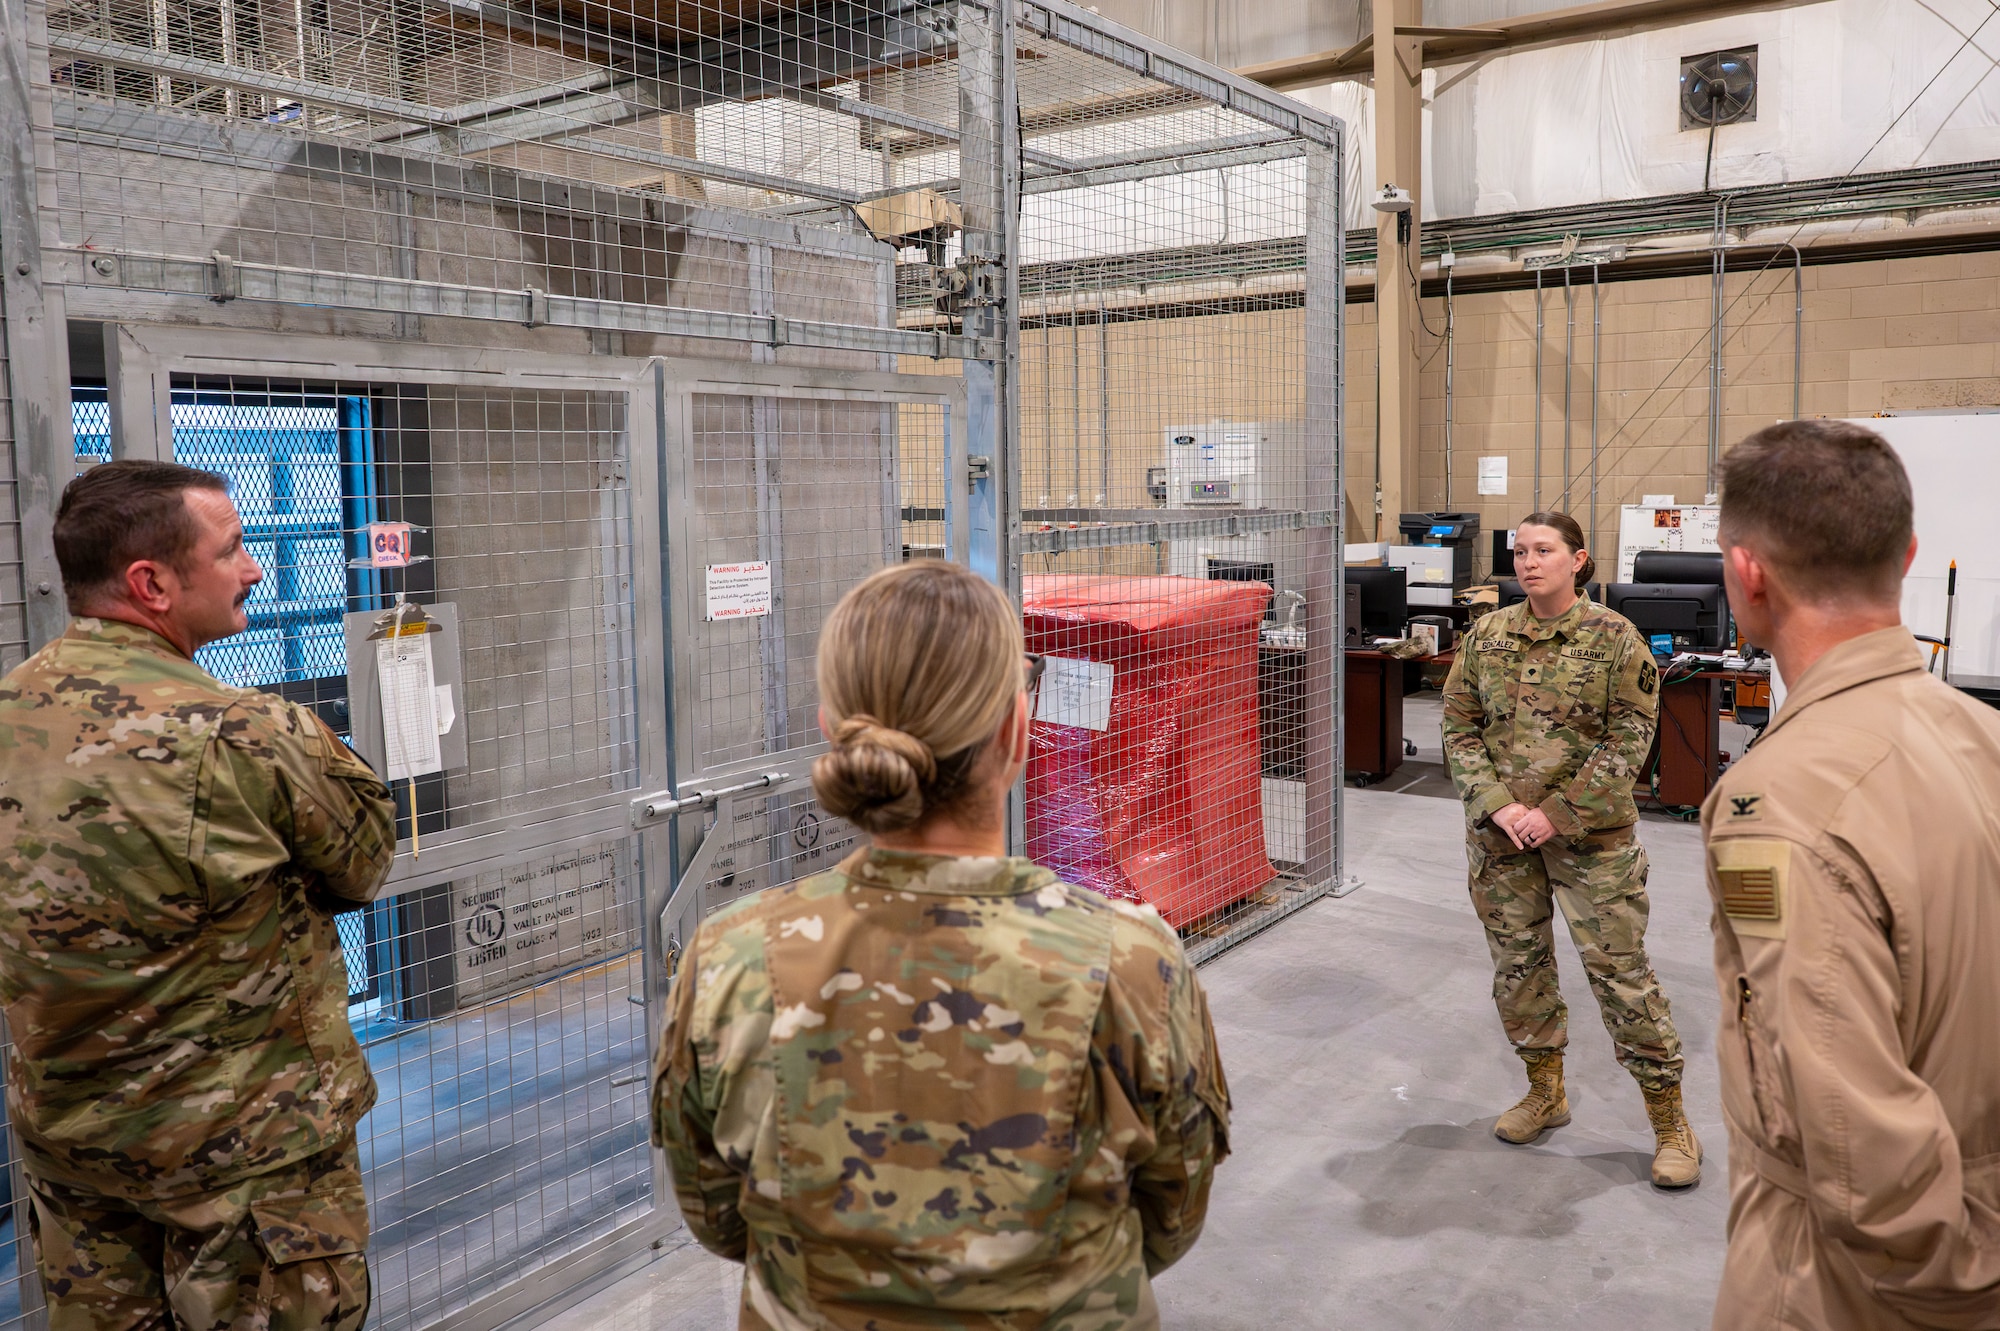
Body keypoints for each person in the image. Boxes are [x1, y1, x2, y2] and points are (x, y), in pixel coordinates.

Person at [650, 560, 1230, 1329]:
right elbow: (1170, 1215)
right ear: (1017, 731)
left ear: (833, 727)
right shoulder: (1133, 961)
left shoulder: (729, 955)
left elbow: (716, 1213)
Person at [0, 460, 395, 1331]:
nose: (253, 567)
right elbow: (363, 864)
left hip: (72, 1150)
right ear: (152, 584)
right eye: (234, 548)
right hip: (246, 1163)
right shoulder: (244, 732)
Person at [1703, 421, 2000, 1328]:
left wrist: (1956, 1277)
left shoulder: (1783, 802)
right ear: (1907, 555)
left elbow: (1847, 1131)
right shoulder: (1980, 736)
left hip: (1855, 1284)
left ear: (1748, 573)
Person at [1441, 510, 1700, 1188]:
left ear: (1578, 559)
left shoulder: (1617, 640)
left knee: (1621, 979)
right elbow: (1459, 725)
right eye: (1520, 551)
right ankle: (1545, 1091)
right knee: (1519, 972)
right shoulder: (1487, 635)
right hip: (1503, 842)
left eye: (1544, 550)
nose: (1528, 562)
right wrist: (1499, 805)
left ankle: (1670, 1120)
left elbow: (1631, 741)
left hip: (1592, 843)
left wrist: (1555, 813)